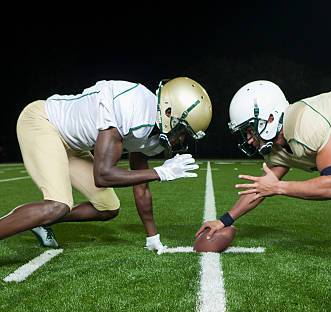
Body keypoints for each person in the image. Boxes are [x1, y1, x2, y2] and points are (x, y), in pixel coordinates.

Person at [3, 77, 212, 252]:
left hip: (73, 145)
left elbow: (141, 187)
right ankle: (38, 215)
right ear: (168, 112)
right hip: (44, 122)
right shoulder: (132, 107)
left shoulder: (152, 133)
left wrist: (152, 236)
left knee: (108, 207)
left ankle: (39, 218)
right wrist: (160, 173)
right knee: (59, 205)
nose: (180, 139)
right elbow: (102, 175)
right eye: (182, 130)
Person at [196, 80, 331, 248]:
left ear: (270, 118)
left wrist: (279, 188)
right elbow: (260, 188)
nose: (249, 138)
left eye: (250, 129)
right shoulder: (277, 147)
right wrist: (224, 221)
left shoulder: (306, 124)